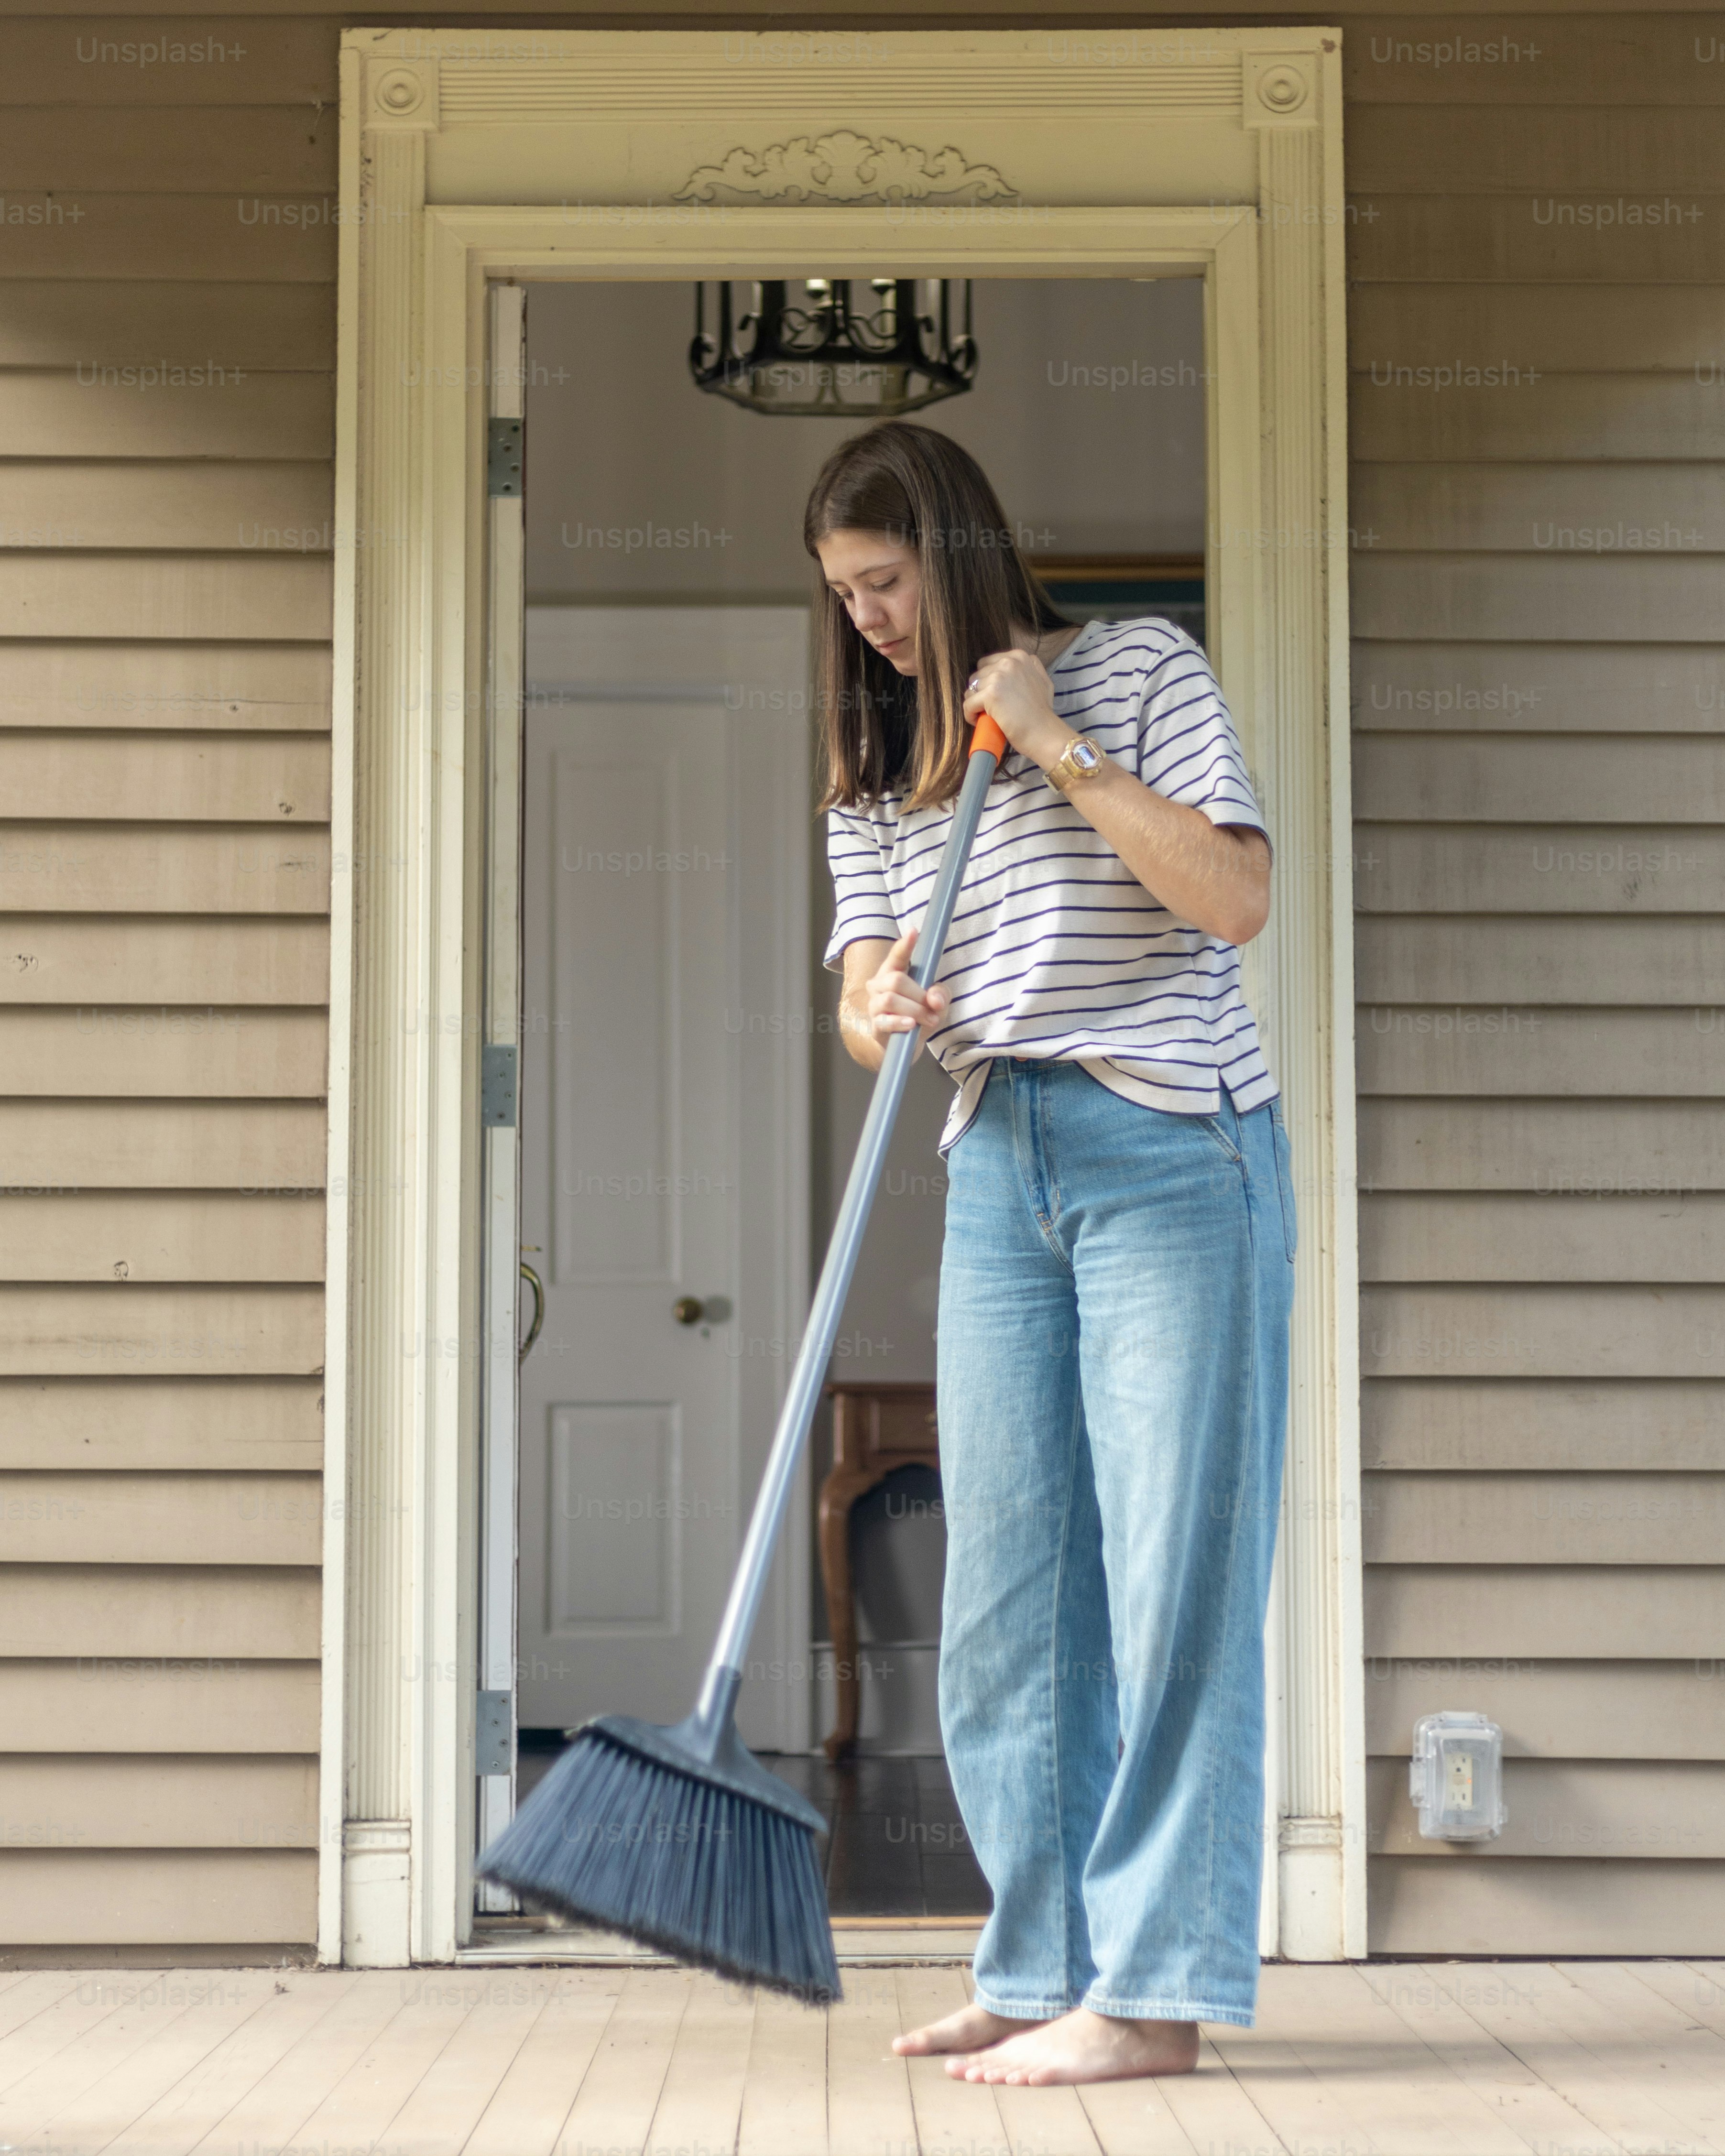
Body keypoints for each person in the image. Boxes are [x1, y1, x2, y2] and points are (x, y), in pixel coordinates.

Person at [808, 421, 1296, 2087]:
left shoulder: (1142, 669)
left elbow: (1229, 899)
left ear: (949, 549)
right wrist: (876, 1006)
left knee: (1172, 1584)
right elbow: (865, 997)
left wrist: (1058, 743)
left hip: (1169, 1145)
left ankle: (1153, 1994)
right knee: (1009, 1603)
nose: (867, 619)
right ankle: (1038, 1966)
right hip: (995, 1153)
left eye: (883, 582)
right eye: (844, 596)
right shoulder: (878, 763)